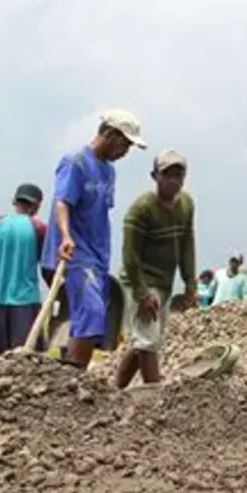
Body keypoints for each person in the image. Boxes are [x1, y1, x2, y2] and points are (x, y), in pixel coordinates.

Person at [41, 109, 147, 369]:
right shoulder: (75, 162)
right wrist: (65, 236)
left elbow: (100, 212)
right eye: (125, 144)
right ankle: (73, 375)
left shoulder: (109, 171)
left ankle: (73, 373)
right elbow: (62, 203)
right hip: (75, 251)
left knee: (91, 319)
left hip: (97, 254)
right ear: (109, 135)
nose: (126, 152)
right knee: (92, 311)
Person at [114, 149, 197, 388]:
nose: (174, 181)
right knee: (148, 342)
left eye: (179, 175)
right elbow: (130, 256)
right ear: (155, 176)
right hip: (139, 279)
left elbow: (187, 244)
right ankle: (156, 395)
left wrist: (190, 282)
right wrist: (141, 293)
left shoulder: (186, 205)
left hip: (164, 282)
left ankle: (116, 390)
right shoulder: (141, 209)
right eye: (167, 175)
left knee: (147, 340)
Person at [0, 183, 48, 355]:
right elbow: (47, 267)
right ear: (36, 206)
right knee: (28, 357)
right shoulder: (38, 228)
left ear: (14, 201)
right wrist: (60, 294)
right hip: (26, 302)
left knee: (1, 357)